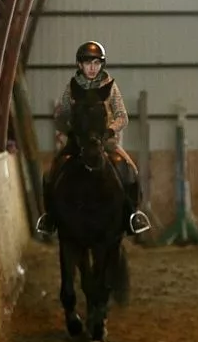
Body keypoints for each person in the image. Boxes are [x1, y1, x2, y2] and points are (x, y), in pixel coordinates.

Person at [35, 41, 149, 236]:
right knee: (51, 173)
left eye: (96, 63)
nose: (92, 68)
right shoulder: (72, 87)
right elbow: (61, 116)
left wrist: (110, 131)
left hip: (105, 141)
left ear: (101, 65)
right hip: (78, 142)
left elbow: (122, 116)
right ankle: (50, 217)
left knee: (129, 169)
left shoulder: (110, 87)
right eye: (88, 63)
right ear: (80, 65)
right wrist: (71, 129)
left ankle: (132, 215)